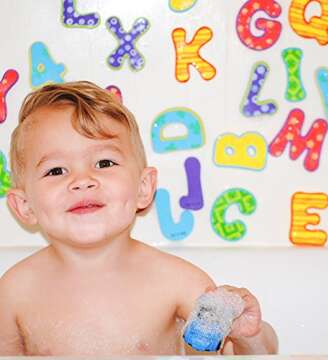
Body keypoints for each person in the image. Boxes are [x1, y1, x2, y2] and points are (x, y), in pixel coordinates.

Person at [0, 81, 278, 355]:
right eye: (56, 170)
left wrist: (248, 338)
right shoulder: (14, 293)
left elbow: (238, 356)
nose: (82, 181)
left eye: (104, 163)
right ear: (25, 206)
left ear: (143, 188)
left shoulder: (176, 281)